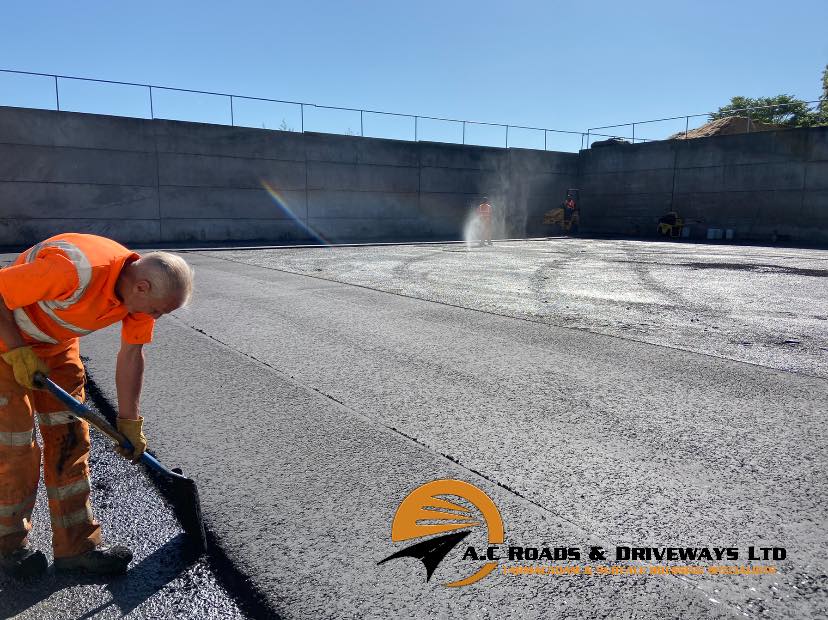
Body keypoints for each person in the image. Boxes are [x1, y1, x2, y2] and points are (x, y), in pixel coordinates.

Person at [0, 233, 194, 578]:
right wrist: (16, 349)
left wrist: (129, 422)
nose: (157, 317)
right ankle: (7, 546)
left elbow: (132, 353)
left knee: (71, 438)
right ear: (142, 287)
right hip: (4, 341)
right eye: (157, 310)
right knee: (15, 446)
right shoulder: (73, 271)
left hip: (53, 345)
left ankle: (77, 546)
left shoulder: (139, 293)